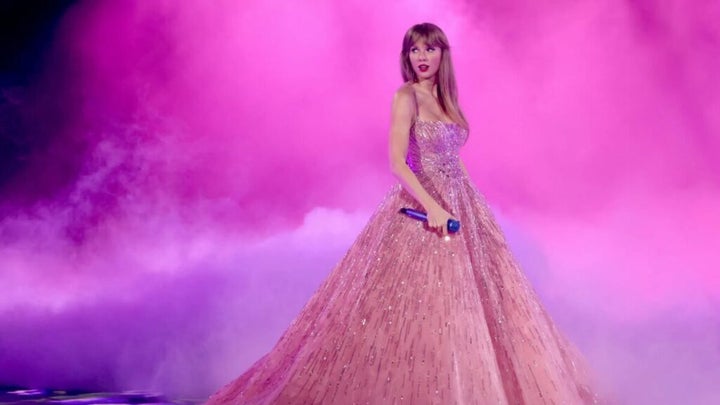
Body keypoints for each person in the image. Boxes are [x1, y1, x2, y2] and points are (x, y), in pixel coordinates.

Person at [206, 22, 600, 404]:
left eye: (430, 48)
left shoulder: (446, 100)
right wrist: (433, 207)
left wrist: (474, 202)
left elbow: (452, 158)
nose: (422, 56)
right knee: (414, 312)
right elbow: (397, 163)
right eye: (414, 49)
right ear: (406, 56)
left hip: (460, 207)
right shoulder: (406, 97)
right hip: (420, 209)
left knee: (469, 310)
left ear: (443, 54)